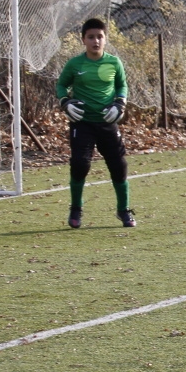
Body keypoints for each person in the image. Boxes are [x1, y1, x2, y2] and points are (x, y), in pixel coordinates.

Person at [56, 17, 135, 229]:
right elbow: (61, 86)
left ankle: (123, 210)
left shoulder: (113, 62)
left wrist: (120, 103)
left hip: (107, 123)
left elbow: (122, 85)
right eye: (91, 37)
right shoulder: (75, 64)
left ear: (105, 39)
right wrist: (65, 103)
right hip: (82, 123)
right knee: (80, 164)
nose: (96, 41)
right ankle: (76, 208)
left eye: (99, 36)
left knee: (119, 166)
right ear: (83, 40)